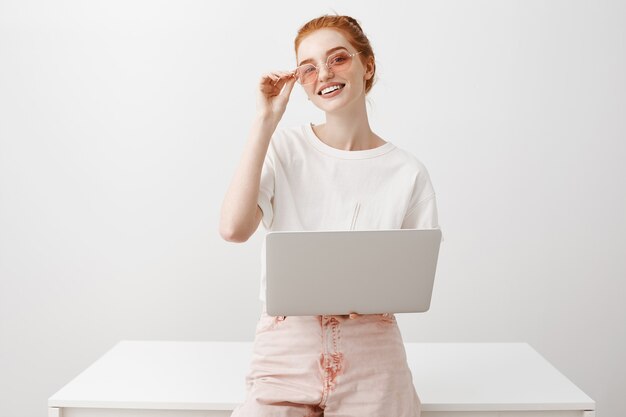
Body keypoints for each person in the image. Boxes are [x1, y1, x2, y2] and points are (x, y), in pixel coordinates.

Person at [220, 13, 441, 417]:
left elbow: (413, 277)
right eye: (308, 68)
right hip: (287, 346)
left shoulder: (408, 172)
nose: (324, 74)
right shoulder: (283, 149)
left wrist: (370, 295)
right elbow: (233, 229)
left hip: (373, 348)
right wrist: (264, 122)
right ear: (300, 82)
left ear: (367, 65)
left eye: (338, 59)